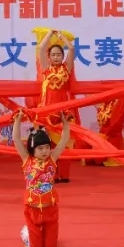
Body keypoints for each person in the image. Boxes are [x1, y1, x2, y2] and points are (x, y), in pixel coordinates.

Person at [14, 110, 68, 247]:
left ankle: (45, 236)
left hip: (50, 209)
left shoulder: (52, 158)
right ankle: (26, 232)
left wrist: (65, 122)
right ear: (32, 149)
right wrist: (18, 120)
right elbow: (16, 140)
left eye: (47, 147)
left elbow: (64, 140)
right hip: (32, 209)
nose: (44, 151)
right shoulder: (27, 160)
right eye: (40, 148)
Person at [35, 30, 78, 183]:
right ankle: (51, 175)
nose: (56, 57)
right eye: (53, 54)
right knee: (49, 145)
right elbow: (41, 48)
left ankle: (64, 175)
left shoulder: (67, 68)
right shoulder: (45, 68)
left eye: (59, 54)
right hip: (48, 110)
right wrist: (49, 34)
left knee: (64, 143)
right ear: (49, 56)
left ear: (62, 56)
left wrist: (61, 37)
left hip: (64, 110)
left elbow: (71, 48)